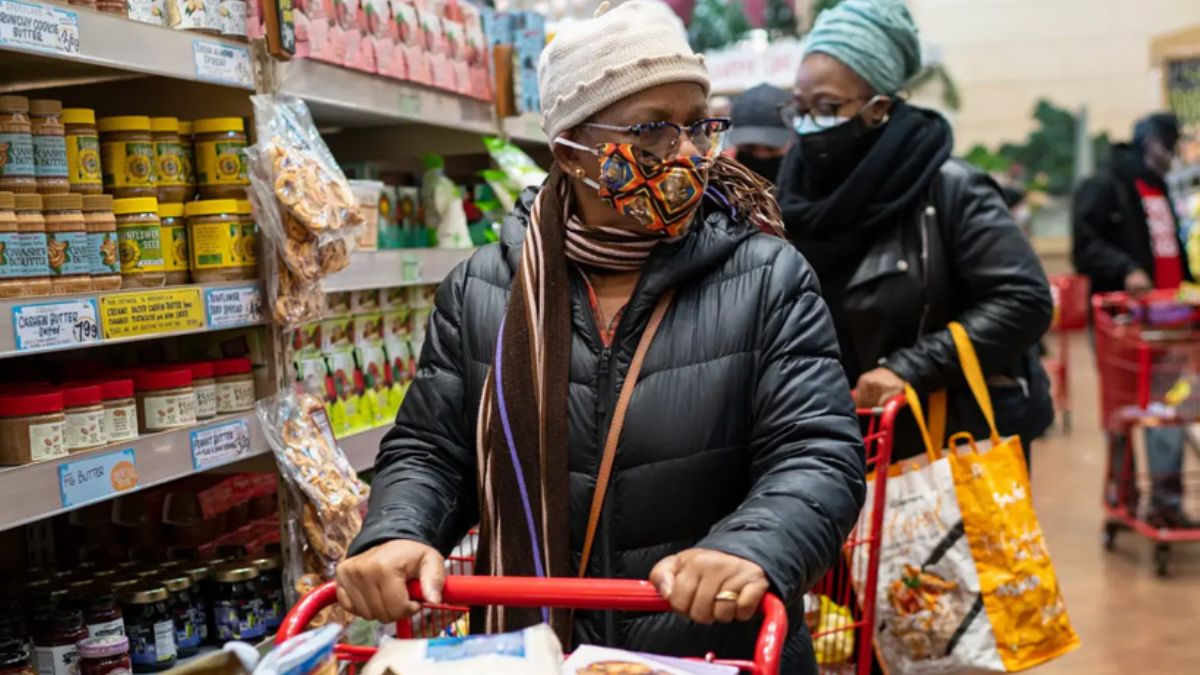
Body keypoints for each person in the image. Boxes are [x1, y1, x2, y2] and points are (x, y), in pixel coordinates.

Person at [336, 2, 867, 672]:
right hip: (537, 651)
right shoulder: (483, 289)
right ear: (569, 151)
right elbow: (432, 449)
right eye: (651, 130)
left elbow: (818, 454)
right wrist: (397, 529)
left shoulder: (767, 278)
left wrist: (749, 546)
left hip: (707, 650)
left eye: (697, 126)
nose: (683, 153)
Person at [776, 0, 1054, 461]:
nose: (808, 125)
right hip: (833, 450)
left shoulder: (948, 189)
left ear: (878, 108)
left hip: (943, 448)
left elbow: (1024, 299)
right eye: (799, 108)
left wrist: (910, 368)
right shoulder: (793, 196)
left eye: (827, 107)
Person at [1072, 112, 1192, 527]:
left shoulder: (1159, 189)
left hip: (1170, 321)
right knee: (1122, 410)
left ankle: (1165, 502)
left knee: (1169, 409)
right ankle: (1122, 500)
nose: (1172, 154)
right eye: (1168, 145)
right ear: (1149, 144)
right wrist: (1127, 268)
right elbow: (1084, 246)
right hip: (1125, 324)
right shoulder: (1107, 186)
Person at [727, 83, 793, 183]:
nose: (761, 155)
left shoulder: (810, 183)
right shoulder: (722, 175)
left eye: (771, 147)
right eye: (749, 147)